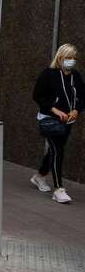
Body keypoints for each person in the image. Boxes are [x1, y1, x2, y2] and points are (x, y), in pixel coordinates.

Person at [31, 43, 85, 203]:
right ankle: (58, 189)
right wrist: (54, 110)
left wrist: (76, 110)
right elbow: (37, 95)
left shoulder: (76, 76)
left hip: (68, 120)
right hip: (50, 119)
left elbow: (83, 96)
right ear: (60, 57)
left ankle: (39, 176)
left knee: (54, 151)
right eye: (68, 57)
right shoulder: (49, 74)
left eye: (74, 57)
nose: (71, 60)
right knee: (58, 150)